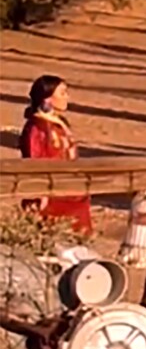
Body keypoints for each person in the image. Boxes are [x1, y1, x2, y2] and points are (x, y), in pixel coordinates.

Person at [18, 76, 93, 236]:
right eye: (62, 93)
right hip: (51, 192)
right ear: (48, 98)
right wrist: (40, 193)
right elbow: (34, 161)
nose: (67, 97)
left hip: (70, 189)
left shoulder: (58, 123)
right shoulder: (37, 128)